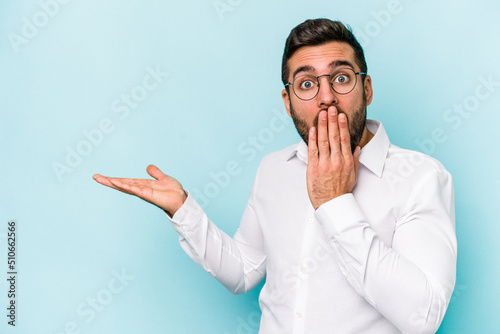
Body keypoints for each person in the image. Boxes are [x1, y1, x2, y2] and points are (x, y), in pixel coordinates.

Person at [93, 19, 456, 334]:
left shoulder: (420, 178)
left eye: (341, 77)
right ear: (288, 101)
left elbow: (421, 316)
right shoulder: (273, 170)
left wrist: (335, 203)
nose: (326, 97)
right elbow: (243, 271)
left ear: (367, 89)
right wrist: (184, 211)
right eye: (307, 84)